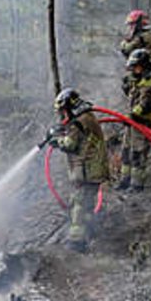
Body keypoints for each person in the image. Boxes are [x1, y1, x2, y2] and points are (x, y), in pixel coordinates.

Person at [47, 88, 109, 252]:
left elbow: (70, 144)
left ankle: (76, 242)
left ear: (70, 107)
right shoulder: (86, 117)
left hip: (87, 171)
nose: (63, 115)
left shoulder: (78, 122)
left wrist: (57, 140)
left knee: (79, 205)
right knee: (85, 204)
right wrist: (62, 132)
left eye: (63, 111)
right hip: (92, 170)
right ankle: (90, 233)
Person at [119, 48, 151, 191]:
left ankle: (137, 184)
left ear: (144, 65)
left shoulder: (150, 80)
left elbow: (145, 104)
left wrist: (132, 115)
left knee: (138, 153)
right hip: (132, 123)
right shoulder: (139, 79)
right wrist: (127, 87)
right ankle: (124, 181)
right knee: (126, 150)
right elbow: (133, 97)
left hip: (143, 123)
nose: (134, 70)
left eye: (136, 67)